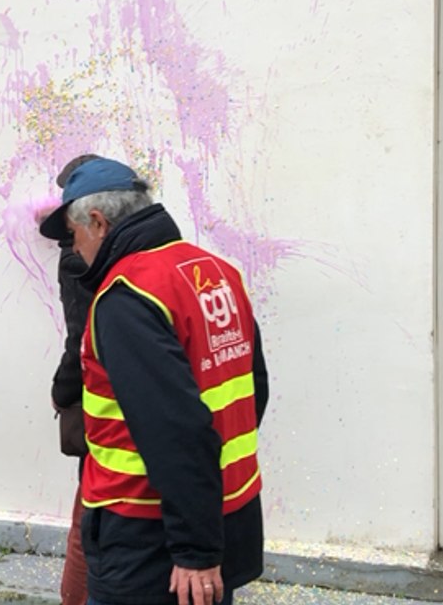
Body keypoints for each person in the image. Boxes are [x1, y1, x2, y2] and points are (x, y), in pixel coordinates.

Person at [38, 158, 269, 605]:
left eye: (73, 234)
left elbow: (174, 427)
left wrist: (195, 550)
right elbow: (252, 389)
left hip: (147, 535)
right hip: (223, 512)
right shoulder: (217, 272)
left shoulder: (127, 296)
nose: (74, 249)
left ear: (98, 223)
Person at [49, 153, 99, 605]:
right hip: (106, 410)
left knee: (88, 521)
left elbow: (79, 336)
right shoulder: (82, 257)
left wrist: (63, 390)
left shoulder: (78, 259)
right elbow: (82, 335)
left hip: (101, 408)